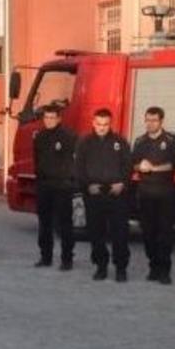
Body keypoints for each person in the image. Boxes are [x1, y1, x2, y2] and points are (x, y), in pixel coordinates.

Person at [75, 108, 132, 282]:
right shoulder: (84, 143)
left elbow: (128, 166)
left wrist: (122, 183)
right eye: (99, 124)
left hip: (117, 195)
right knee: (96, 233)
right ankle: (101, 266)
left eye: (105, 124)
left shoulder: (120, 142)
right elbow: (78, 168)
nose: (102, 127)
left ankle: (121, 268)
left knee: (120, 234)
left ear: (110, 124)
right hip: (94, 194)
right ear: (93, 123)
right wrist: (87, 186)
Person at [131, 106, 175, 284]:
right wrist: (140, 167)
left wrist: (154, 168)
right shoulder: (140, 141)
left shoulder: (170, 140)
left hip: (165, 192)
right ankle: (153, 266)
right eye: (147, 120)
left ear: (161, 121)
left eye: (153, 120)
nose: (150, 124)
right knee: (148, 232)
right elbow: (133, 164)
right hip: (145, 192)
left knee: (165, 233)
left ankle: (164, 270)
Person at [32, 103, 77, 269]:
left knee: (65, 223)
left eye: (52, 117)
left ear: (59, 118)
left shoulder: (69, 136)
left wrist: (69, 180)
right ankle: (45, 257)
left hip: (63, 186)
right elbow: (37, 159)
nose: (49, 121)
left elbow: (74, 161)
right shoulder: (39, 136)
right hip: (44, 185)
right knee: (44, 223)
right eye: (46, 117)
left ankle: (67, 259)